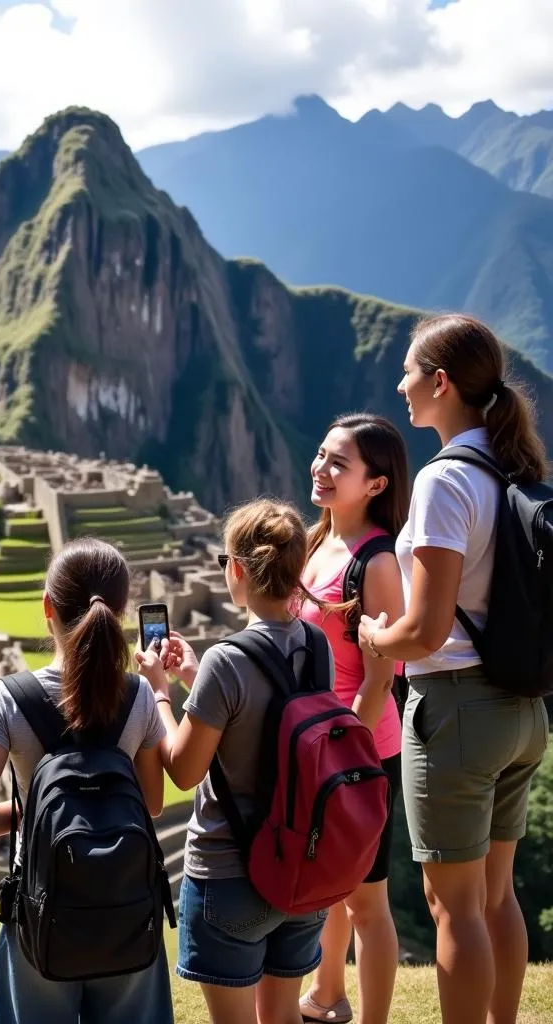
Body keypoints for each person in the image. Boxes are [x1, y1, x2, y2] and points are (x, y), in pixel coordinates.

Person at [357, 314, 550, 1024]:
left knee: (452, 905)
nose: (400, 385)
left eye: (410, 372)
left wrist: (377, 636)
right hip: (522, 711)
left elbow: (426, 628)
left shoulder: (445, 481)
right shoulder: (511, 466)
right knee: (497, 895)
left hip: (459, 710)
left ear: (441, 383)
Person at [0, 537, 174, 1024]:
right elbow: (151, 804)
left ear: (47, 607)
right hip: (126, 903)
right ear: (120, 612)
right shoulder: (139, 697)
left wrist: (34, 816)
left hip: (41, 904)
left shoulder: (7, 699)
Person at [136, 499, 330, 1024]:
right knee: (283, 1014)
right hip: (301, 868)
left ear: (238, 570)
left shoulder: (228, 661)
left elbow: (182, 769)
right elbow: (271, 720)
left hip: (230, 875)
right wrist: (196, 678)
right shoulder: (315, 645)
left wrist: (159, 692)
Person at [298, 414, 409, 1024]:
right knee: (330, 887)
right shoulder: (317, 544)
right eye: (321, 454)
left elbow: (382, 677)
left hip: (362, 749)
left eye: (339, 463)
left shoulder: (377, 563)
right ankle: (327, 993)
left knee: (367, 900)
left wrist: (344, 751)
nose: (322, 468)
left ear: (375, 484)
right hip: (318, 743)